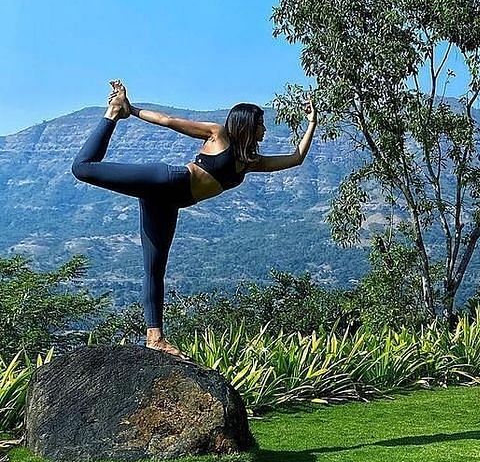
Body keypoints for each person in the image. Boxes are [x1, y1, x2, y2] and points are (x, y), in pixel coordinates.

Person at [71, 80, 318, 358]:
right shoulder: (218, 134)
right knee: (83, 168)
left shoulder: (250, 162)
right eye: (261, 124)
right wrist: (133, 110)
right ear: (248, 124)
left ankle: (154, 338)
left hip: (169, 203)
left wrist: (312, 123)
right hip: (166, 181)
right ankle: (113, 113)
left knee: (154, 269)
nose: (264, 129)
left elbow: (295, 158)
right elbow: (168, 121)